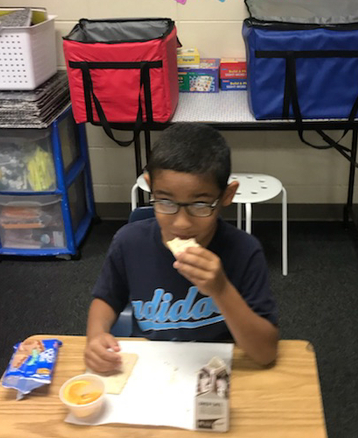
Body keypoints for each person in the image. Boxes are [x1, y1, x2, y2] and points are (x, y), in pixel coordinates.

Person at [85, 122, 278, 372]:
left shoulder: (245, 251)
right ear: (150, 187)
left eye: (200, 204)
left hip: (218, 368)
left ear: (227, 195)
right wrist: (96, 335)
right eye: (165, 201)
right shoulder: (128, 242)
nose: (181, 223)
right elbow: (106, 298)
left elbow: (265, 353)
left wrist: (221, 289)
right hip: (152, 367)